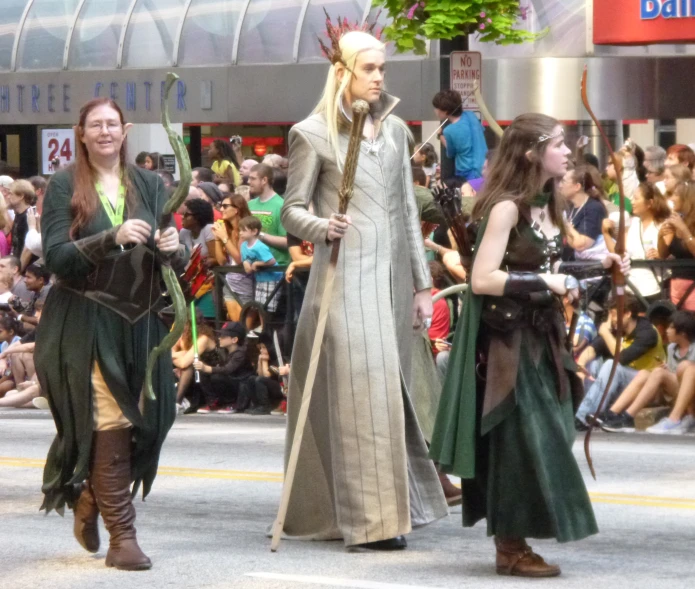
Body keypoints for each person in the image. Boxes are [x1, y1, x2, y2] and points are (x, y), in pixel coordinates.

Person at [429, 113, 629, 577]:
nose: (567, 153)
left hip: (544, 342)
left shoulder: (549, 203)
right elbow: (482, 278)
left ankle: (516, 541)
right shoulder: (505, 207)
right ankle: (510, 546)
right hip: (509, 347)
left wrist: (600, 267)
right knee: (523, 442)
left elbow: (555, 270)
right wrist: (549, 279)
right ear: (531, 153)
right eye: (558, 144)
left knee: (551, 434)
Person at [280, 28, 447, 550]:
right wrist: (320, 228)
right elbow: (291, 210)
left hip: (393, 286)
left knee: (389, 401)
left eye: (383, 69)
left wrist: (423, 287)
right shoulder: (310, 133)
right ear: (343, 72)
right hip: (342, 285)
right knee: (362, 399)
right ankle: (371, 525)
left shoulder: (396, 130)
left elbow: (404, 212)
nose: (379, 78)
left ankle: (396, 512)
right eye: (369, 69)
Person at [35, 97, 184, 570]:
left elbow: (165, 261)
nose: (104, 131)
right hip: (83, 317)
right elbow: (56, 258)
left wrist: (172, 246)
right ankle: (123, 535)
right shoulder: (63, 185)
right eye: (94, 125)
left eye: (111, 124)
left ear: (126, 130)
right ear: (80, 133)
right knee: (108, 418)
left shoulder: (149, 183)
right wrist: (110, 237)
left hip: (137, 319)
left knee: (149, 417)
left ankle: (88, 499)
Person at [576, 295, 665, 427]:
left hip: (648, 388)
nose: (611, 319)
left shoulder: (647, 332)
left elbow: (622, 358)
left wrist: (606, 333)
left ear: (627, 314)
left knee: (611, 364)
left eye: (613, 314)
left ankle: (587, 417)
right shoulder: (620, 330)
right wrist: (581, 365)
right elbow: (593, 349)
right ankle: (584, 415)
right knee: (593, 363)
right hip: (627, 386)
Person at [599, 311, 695, 433]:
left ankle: (630, 417)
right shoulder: (671, 348)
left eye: (671, 327)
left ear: (683, 333)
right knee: (646, 373)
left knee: (685, 367)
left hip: (691, 396)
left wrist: (674, 372)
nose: (667, 330)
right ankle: (613, 413)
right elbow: (674, 376)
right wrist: (668, 370)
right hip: (675, 393)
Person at [602, 182, 669, 302]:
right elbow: (618, 252)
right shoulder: (632, 224)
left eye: (636, 198)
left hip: (654, 286)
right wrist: (605, 233)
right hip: (631, 287)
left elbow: (667, 253)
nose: (632, 202)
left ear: (650, 203)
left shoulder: (663, 225)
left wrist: (659, 255)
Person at [193, 321, 255, 413]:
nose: (219, 338)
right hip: (229, 380)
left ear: (234, 340)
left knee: (217, 377)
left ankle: (232, 403)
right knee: (204, 374)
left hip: (240, 383)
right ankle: (213, 401)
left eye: (224, 337)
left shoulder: (240, 353)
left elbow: (228, 369)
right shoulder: (223, 351)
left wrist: (207, 368)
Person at [212, 193, 254, 321]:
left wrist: (224, 238)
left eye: (225, 206)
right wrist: (217, 239)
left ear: (236, 210)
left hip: (247, 283)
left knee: (246, 325)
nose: (221, 209)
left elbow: (240, 259)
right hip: (230, 282)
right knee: (235, 322)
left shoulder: (245, 230)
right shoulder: (227, 230)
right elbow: (221, 261)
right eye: (221, 206)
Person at [432, 89, 487, 185]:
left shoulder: (449, 131)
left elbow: (451, 152)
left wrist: (440, 136)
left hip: (468, 172)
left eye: (436, 108)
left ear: (445, 111)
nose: (435, 110)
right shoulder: (471, 115)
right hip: (485, 166)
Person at [658, 181, 695, 311]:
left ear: (687, 199)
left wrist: (685, 231)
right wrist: (660, 236)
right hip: (675, 283)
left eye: (676, 195)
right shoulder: (677, 221)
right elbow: (663, 254)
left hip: (692, 284)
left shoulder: (688, 224)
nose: (672, 199)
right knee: (678, 325)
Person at [247, 163, 290, 268]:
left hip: (276, 269)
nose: (248, 182)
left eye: (253, 178)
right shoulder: (249, 205)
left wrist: (259, 235)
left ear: (264, 180)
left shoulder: (282, 206)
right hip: (251, 269)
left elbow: (287, 242)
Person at [562, 166, 609, 260]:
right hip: (567, 265)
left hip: (588, 269)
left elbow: (581, 245)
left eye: (563, 181)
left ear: (577, 187)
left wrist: (566, 226)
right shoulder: (569, 207)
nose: (560, 185)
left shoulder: (594, 208)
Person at [240, 216, 282, 313]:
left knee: (269, 306)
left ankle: (267, 327)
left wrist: (258, 263)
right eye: (240, 230)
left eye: (243, 230)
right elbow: (246, 259)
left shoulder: (260, 246)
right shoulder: (243, 245)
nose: (240, 232)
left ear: (254, 231)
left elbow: (271, 261)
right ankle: (263, 326)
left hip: (273, 278)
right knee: (259, 306)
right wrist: (246, 263)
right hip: (260, 279)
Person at [7, 179, 35, 259]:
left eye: (11, 194)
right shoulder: (19, 215)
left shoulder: (29, 216)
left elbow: (28, 249)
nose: (8, 197)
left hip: (25, 267)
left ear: (21, 196)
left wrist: (20, 269)